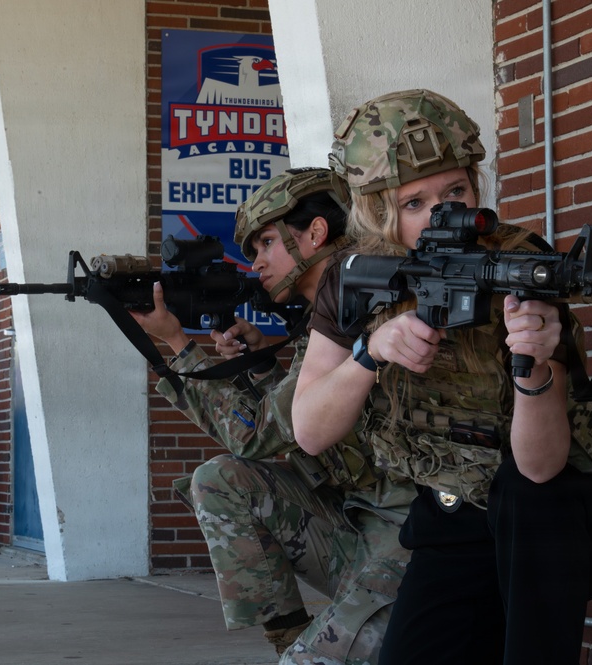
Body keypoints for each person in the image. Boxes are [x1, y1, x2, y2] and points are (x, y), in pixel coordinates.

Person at [291, 89, 592, 664]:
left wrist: (535, 363)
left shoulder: (521, 263)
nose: (440, 214)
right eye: (414, 202)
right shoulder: (356, 275)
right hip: (451, 516)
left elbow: (541, 467)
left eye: (456, 192)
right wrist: (370, 353)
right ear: (377, 208)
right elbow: (309, 430)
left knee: (524, 497)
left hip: (560, 519)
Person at [132, 167, 415, 663]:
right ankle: (290, 635)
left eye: (265, 243)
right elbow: (310, 419)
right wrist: (264, 364)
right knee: (221, 480)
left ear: (315, 233)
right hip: (354, 519)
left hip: (407, 533)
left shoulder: (363, 306)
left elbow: (259, 434)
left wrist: (178, 345)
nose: (258, 263)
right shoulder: (329, 315)